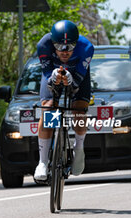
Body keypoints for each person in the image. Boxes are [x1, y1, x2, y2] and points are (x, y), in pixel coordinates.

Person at [33, 20, 94, 180]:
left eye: (70, 47)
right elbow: (46, 74)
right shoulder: (43, 45)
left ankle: (79, 148)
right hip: (53, 73)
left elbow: (78, 80)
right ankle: (43, 162)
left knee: (79, 110)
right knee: (48, 107)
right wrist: (53, 78)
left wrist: (71, 80)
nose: (65, 52)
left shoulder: (87, 48)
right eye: (59, 47)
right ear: (53, 43)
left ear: (76, 44)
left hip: (79, 75)